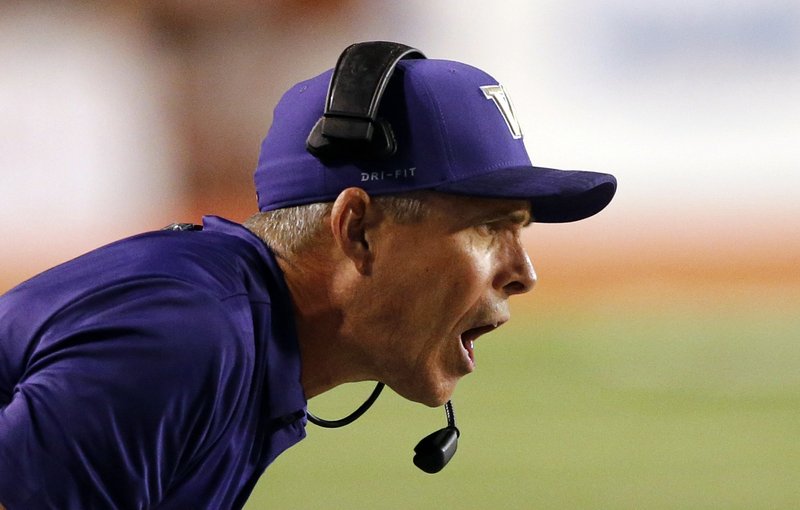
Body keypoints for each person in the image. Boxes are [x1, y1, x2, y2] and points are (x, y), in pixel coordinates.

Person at [0, 42, 616, 509]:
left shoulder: (236, 337)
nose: (523, 274)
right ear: (356, 230)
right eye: (489, 228)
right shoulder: (187, 336)